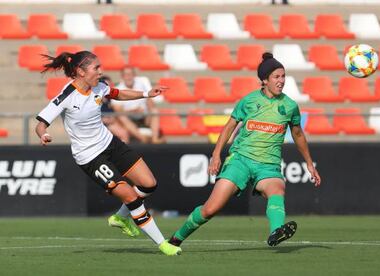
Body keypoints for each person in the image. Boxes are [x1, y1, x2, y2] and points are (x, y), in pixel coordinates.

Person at [35, 50, 181, 256]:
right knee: (131, 197)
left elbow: (117, 93)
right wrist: (44, 134)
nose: (100, 71)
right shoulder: (67, 95)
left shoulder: (99, 87)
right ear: (80, 71)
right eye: (96, 68)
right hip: (91, 157)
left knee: (149, 184)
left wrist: (147, 93)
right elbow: (41, 123)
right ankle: (162, 243)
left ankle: (121, 218)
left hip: (111, 144)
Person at [168, 53, 321, 248]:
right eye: (276, 77)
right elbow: (229, 126)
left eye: (283, 76)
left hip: (268, 164)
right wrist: (216, 154)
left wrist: (309, 163)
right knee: (210, 209)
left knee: (277, 189)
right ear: (264, 80)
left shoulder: (290, 106)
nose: (281, 81)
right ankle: (175, 239)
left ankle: (276, 231)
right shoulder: (248, 101)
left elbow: (298, 134)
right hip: (240, 160)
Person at [111, 67, 165, 144]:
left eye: (130, 74)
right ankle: (143, 138)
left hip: (144, 117)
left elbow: (150, 101)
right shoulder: (118, 89)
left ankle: (154, 139)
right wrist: (132, 111)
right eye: (126, 74)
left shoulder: (142, 84)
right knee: (121, 116)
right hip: (129, 119)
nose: (128, 77)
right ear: (122, 76)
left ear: (134, 75)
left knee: (154, 111)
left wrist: (149, 109)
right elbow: (117, 110)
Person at [99, 75, 130, 144]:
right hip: (103, 125)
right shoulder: (95, 100)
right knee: (124, 134)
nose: (108, 88)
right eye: (106, 86)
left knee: (125, 129)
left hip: (113, 122)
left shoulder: (111, 100)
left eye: (110, 85)